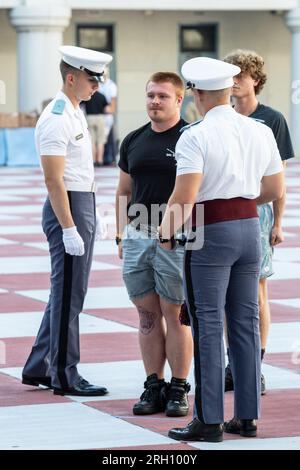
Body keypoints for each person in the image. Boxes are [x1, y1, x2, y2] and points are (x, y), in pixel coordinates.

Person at [158, 57, 284, 442]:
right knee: (244, 324)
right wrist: (241, 201)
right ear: (230, 90)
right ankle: (247, 417)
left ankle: (209, 420)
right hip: (249, 229)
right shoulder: (259, 130)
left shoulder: (194, 135)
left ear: (196, 93)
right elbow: (275, 190)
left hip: (210, 230)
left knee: (208, 325)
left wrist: (164, 233)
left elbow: (185, 195)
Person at [22, 45, 112, 397]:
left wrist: (93, 209)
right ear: (71, 77)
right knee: (70, 295)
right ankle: (64, 374)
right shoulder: (57, 117)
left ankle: (40, 365)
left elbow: (78, 172)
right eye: (91, 80)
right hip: (68, 208)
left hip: (81, 202)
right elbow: (54, 180)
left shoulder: (74, 111)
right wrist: (70, 227)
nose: (96, 87)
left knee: (66, 293)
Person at [116, 72, 193, 417]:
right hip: (137, 235)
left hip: (177, 237)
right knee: (147, 314)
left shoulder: (191, 137)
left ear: (179, 99)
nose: (155, 102)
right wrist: (120, 235)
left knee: (174, 314)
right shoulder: (133, 139)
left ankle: (178, 388)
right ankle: (153, 384)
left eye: (163, 96)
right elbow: (123, 191)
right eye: (150, 95)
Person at [223, 49, 295, 395]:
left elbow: (278, 178)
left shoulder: (272, 119)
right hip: (224, 208)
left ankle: (254, 364)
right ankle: (231, 361)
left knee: (257, 291)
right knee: (224, 292)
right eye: (230, 76)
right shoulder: (221, 116)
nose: (234, 82)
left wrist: (278, 223)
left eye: (240, 75)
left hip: (259, 210)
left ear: (256, 80)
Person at [84, 89, 111, 166]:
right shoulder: (102, 96)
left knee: (91, 141)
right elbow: (107, 109)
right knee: (100, 141)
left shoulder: (88, 95)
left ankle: (93, 161)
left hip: (89, 117)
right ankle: (100, 160)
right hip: (100, 118)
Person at [101, 68, 118, 165]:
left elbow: (112, 105)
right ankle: (102, 159)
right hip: (98, 114)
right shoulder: (98, 85)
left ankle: (110, 158)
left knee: (108, 139)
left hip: (107, 116)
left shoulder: (111, 86)